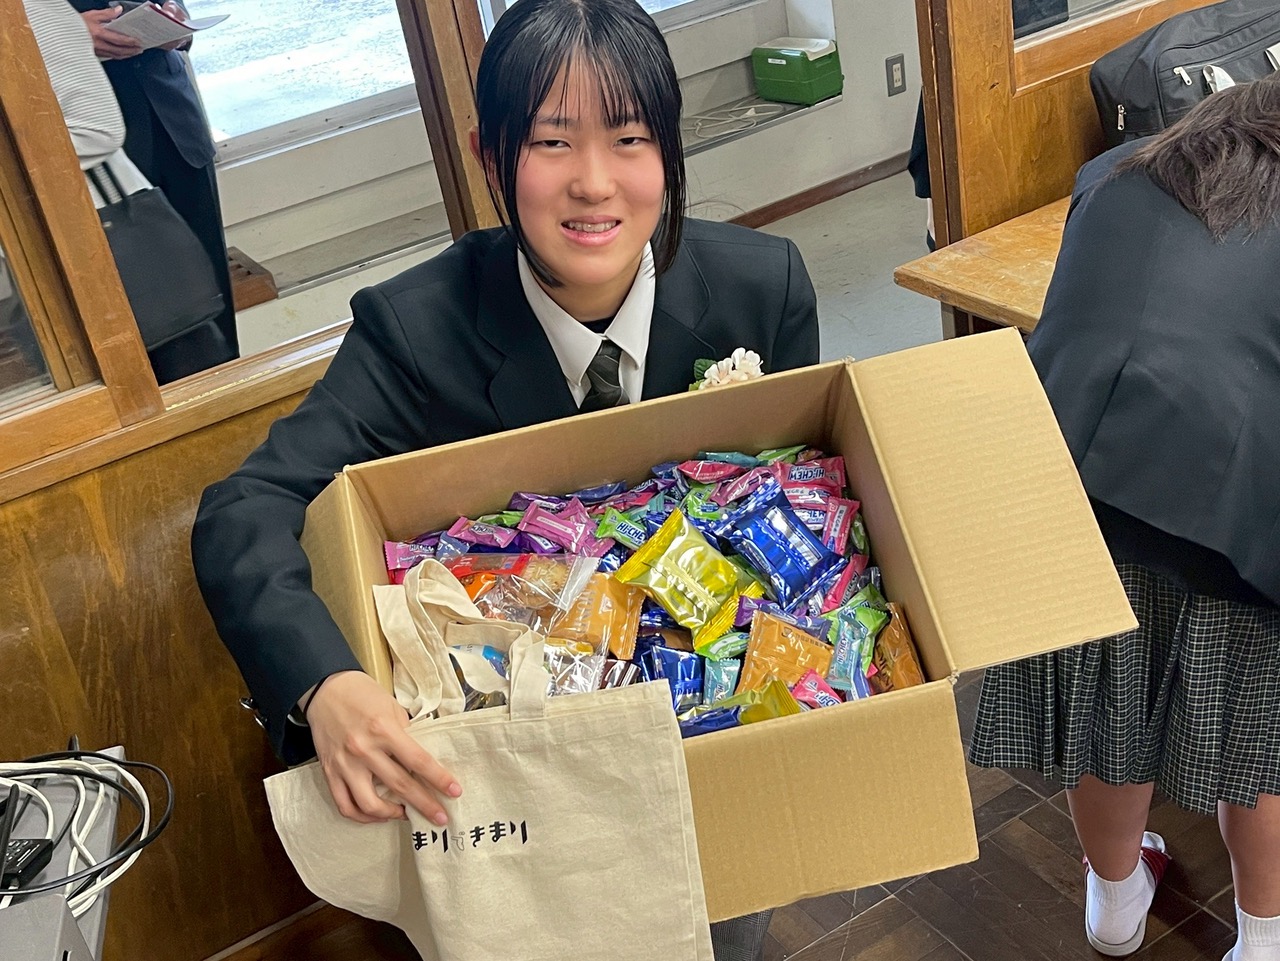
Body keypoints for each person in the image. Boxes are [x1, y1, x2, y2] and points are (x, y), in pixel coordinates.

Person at [191, 0, 818, 956]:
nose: (594, 183)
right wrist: (324, 684)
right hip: (517, 770)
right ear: (492, 159)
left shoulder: (762, 289)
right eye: (552, 142)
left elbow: (806, 497)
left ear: (669, 150)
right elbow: (244, 507)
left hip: (713, 752)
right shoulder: (416, 330)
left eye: (630, 139)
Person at [969, 74, 1280, 961]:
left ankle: (1115, 906)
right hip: (1237, 502)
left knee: (1113, 711)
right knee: (1259, 743)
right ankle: (1264, 939)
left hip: (1077, 479)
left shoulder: (1111, 174)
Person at [23, 0, 231, 384]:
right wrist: (67, 34)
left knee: (209, 309)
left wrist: (175, 20)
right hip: (90, 155)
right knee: (144, 341)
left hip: (174, 124)